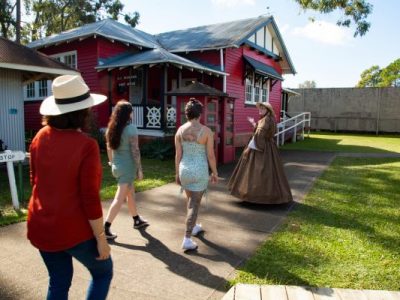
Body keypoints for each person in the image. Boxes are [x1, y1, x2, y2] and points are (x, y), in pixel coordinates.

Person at [27, 75, 113, 300]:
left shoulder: (39, 137)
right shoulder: (87, 145)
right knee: (103, 272)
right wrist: (101, 239)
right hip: (74, 230)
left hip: (41, 225)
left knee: (59, 280)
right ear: (82, 112)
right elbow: (90, 198)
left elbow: (34, 180)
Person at [175, 98, 219, 251]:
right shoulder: (206, 131)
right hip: (199, 170)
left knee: (190, 202)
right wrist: (215, 172)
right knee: (194, 204)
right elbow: (211, 155)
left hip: (184, 170)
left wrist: (176, 174)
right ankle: (187, 239)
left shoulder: (180, 130)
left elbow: (178, 154)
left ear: (187, 114)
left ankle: (193, 227)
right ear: (200, 114)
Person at [228, 102, 293, 204]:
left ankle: (256, 195)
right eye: (260, 108)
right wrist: (255, 124)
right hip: (270, 146)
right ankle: (275, 195)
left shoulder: (265, 119)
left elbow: (259, 134)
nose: (260, 110)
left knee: (256, 170)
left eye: (263, 109)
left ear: (268, 110)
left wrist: (255, 146)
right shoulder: (271, 118)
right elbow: (265, 131)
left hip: (262, 147)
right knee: (272, 170)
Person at [103, 100, 148, 240]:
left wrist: (112, 162)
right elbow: (135, 151)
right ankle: (106, 227)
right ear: (128, 114)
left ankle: (136, 219)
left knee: (130, 194)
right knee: (119, 198)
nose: (133, 113)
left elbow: (108, 147)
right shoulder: (131, 129)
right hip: (127, 169)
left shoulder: (111, 128)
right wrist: (139, 169)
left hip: (117, 167)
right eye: (132, 111)